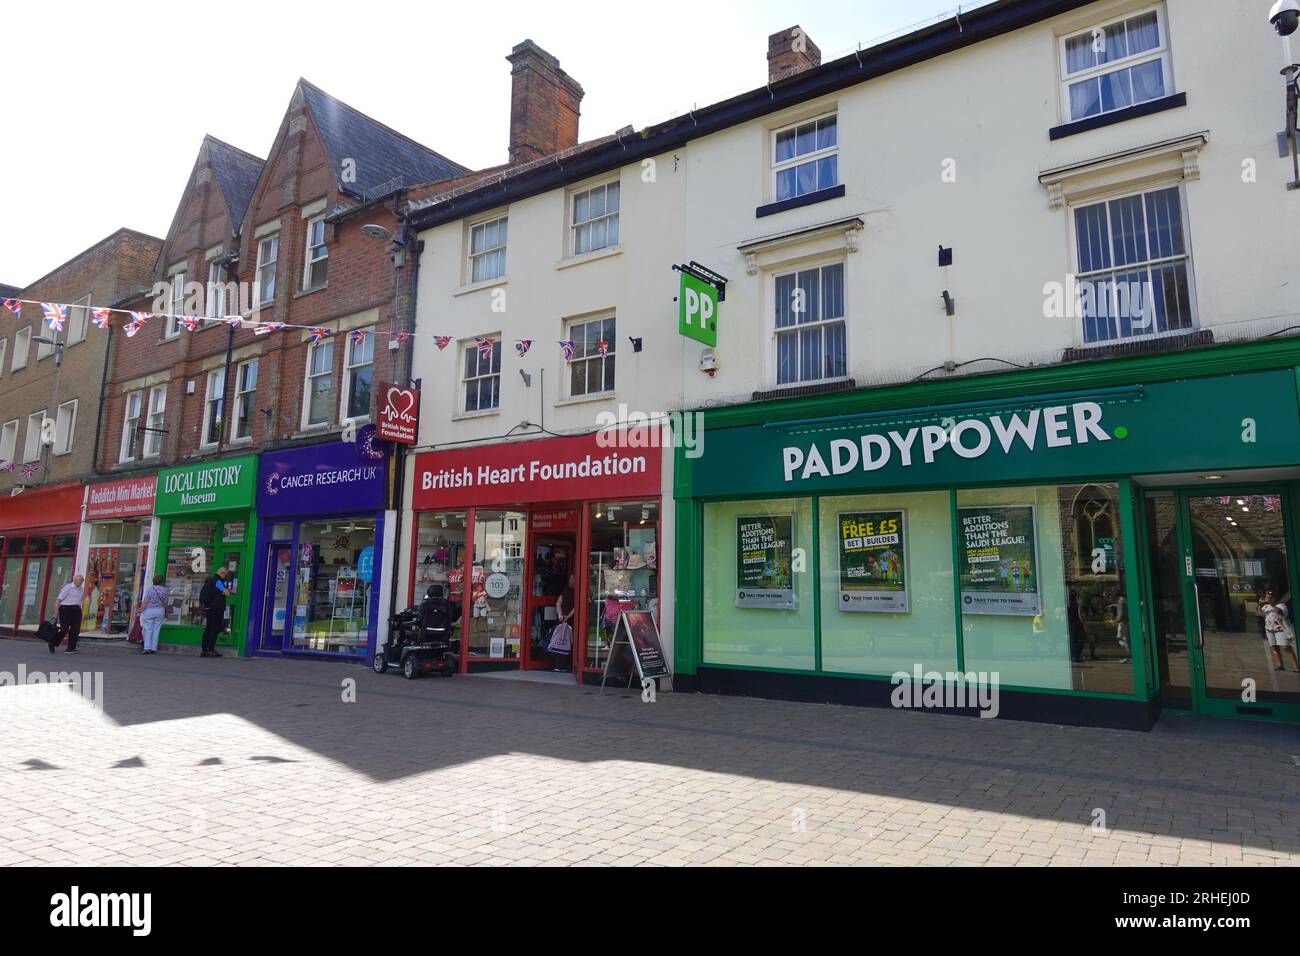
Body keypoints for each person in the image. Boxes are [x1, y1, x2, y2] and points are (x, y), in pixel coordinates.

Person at [1259, 590, 1300, 673]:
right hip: (1270, 630)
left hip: (1280, 630)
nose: (1268, 599)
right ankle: (1280, 665)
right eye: (1267, 598)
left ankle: (1296, 666)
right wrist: (1260, 604)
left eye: (1270, 598)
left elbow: (1282, 613)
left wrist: (1272, 605)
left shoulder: (1281, 605)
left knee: (1286, 648)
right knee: (1275, 647)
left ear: (1274, 598)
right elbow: (1260, 613)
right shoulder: (1266, 607)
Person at [198, 567, 230, 658]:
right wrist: (225, 591)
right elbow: (227, 593)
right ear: (222, 573)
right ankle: (210, 649)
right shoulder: (218, 581)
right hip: (216, 609)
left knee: (208, 628)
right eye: (225, 575)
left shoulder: (210, 580)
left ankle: (205, 650)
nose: (226, 577)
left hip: (209, 608)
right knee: (214, 629)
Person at [51, 574, 86, 655]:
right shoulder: (68, 588)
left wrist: (83, 613)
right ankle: (53, 642)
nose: (80, 582)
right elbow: (58, 600)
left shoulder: (81, 589)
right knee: (64, 629)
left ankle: (71, 648)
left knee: (75, 629)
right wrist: (55, 613)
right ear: (74, 580)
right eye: (79, 580)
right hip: (65, 609)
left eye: (81, 580)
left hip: (76, 610)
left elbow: (80, 602)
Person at [549, 573, 576, 672]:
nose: (571, 581)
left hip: (570, 620)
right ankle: (559, 664)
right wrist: (561, 615)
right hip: (564, 620)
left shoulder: (578, 592)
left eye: (573, 578)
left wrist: (566, 617)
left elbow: (577, 607)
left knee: (567, 641)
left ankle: (565, 664)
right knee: (561, 641)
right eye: (570, 579)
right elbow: (558, 603)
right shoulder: (565, 591)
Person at [138, 574, 168, 655]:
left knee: (148, 629)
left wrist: (141, 610)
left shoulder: (150, 590)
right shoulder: (164, 590)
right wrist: (166, 611)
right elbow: (165, 603)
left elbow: (145, 602)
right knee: (156, 629)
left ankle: (147, 647)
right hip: (160, 611)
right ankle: (154, 648)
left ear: (153, 581)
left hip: (149, 610)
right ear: (161, 582)